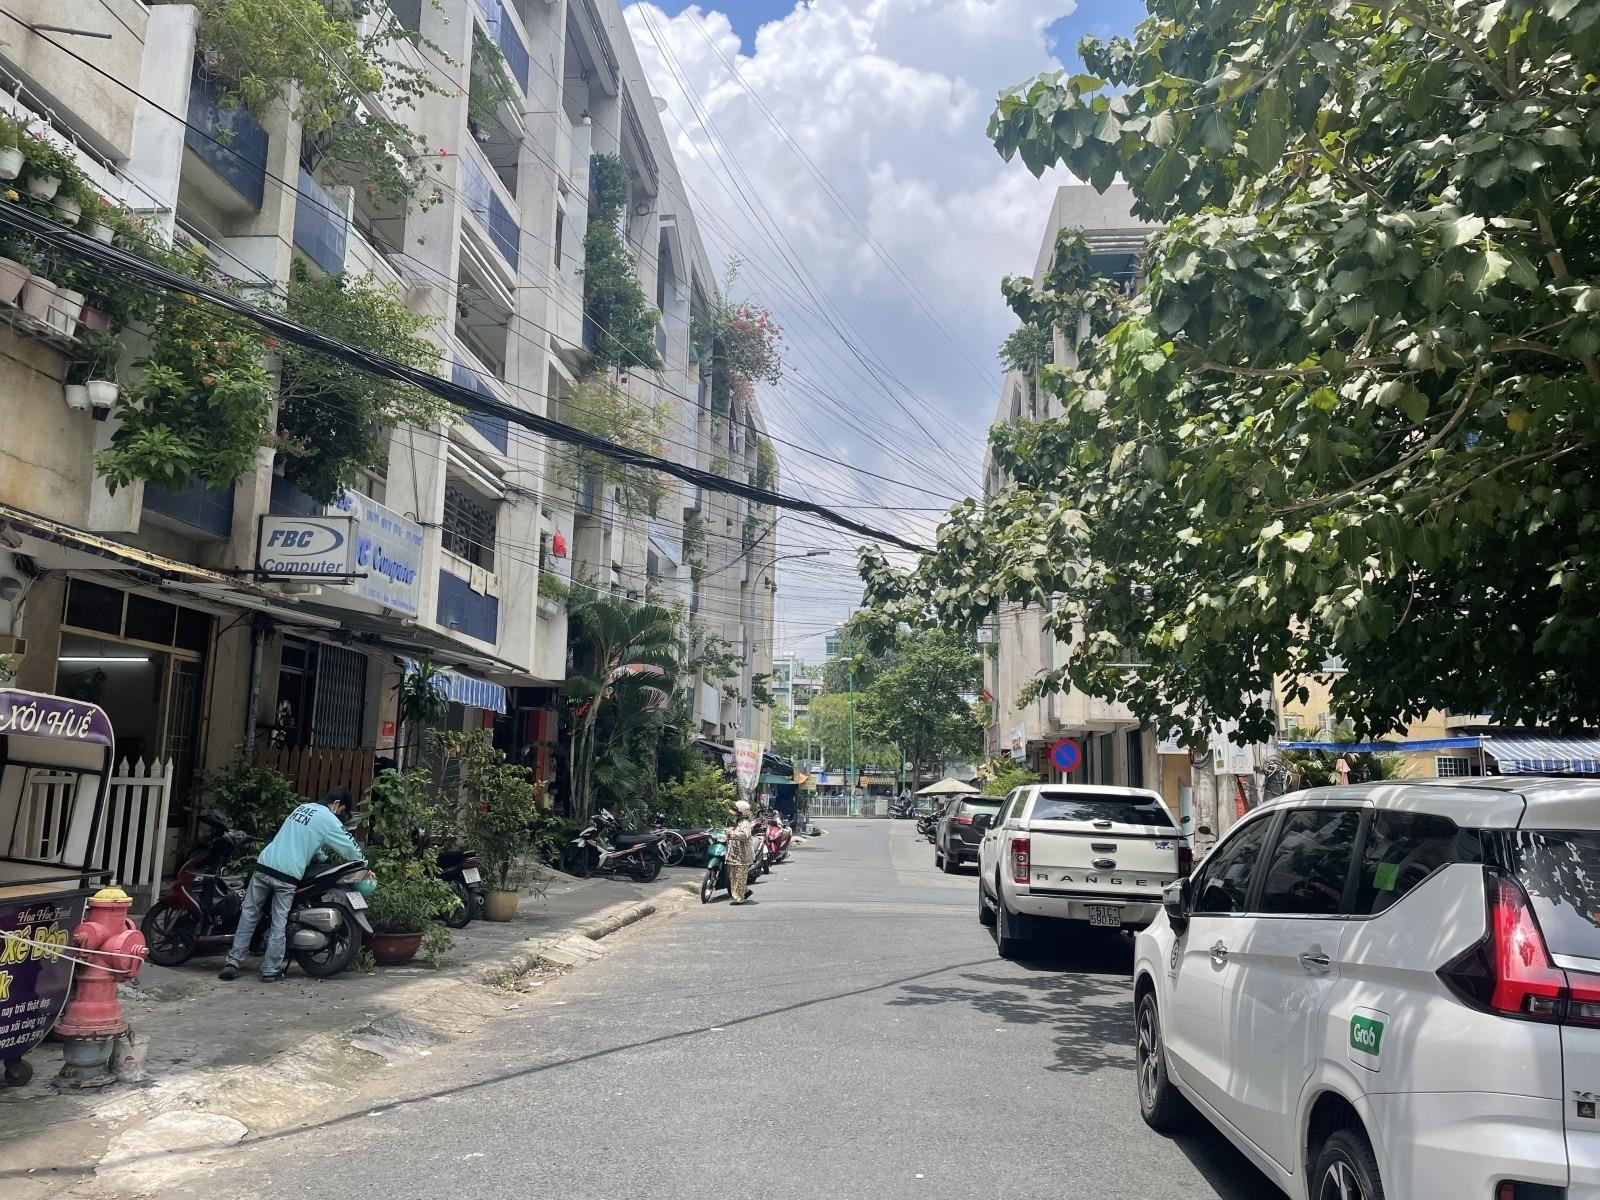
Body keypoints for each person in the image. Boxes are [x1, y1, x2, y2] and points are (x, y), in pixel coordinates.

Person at [219, 787, 363, 982]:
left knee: (249, 914)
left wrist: (322, 858)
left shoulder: (302, 808)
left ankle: (232, 963)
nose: (339, 815)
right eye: (341, 811)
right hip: (287, 875)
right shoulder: (328, 818)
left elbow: (305, 843)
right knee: (279, 921)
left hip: (264, 866)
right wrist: (363, 863)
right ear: (337, 804)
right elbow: (348, 847)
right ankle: (270, 970)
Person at [726, 799, 755, 905]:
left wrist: (731, 833)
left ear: (741, 812)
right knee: (733, 877)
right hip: (734, 854)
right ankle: (744, 892)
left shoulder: (745, 823)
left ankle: (739, 898)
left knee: (739, 878)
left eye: (735, 810)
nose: (733, 811)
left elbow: (745, 835)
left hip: (742, 856)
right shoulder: (737, 821)